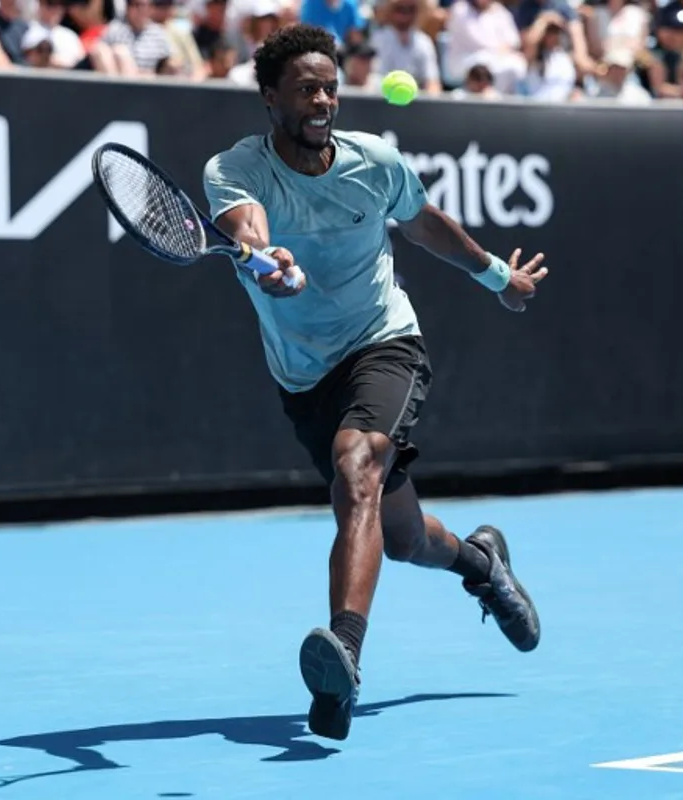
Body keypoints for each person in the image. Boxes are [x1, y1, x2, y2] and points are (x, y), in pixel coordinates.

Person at [201, 23, 547, 743]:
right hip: (303, 375)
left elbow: (425, 225)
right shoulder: (233, 171)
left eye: (330, 86)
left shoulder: (374, 162)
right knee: (403, 536)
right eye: (305, 89)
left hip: (384, 340)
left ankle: (343, 660)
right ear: (271, 99)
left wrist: (496, 278)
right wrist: (269, 262)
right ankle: (482, 562)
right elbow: (250, 227)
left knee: (356, 466)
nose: (323, 99)